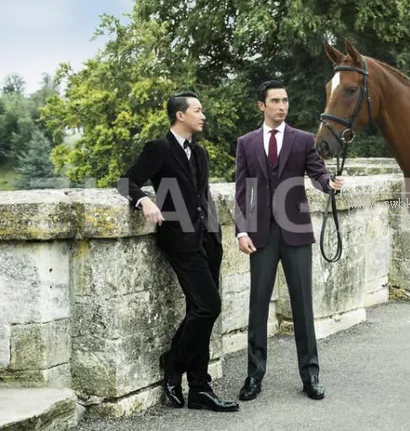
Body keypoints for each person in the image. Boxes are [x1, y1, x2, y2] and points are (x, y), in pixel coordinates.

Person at [117, 91, 239, 412]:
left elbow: (204, 196)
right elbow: (125, 181)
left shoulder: (199, 153)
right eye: (198, 111)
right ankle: (174, 363)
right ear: (180, 115)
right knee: (209, 307)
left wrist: (215, 237)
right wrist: (143, 200)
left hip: (207, 241)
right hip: (179, 241)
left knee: (200, 309)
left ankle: (200, 387)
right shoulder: (158, 149)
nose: (203, 116)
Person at [234, 79, 345, 401]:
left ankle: (310, 376)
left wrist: (330, 184)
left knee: (302, 306)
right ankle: (254, 377)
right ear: (262, 105)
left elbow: (317, 173)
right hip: (260, 236)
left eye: (285, 101)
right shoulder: (246, 143)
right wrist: (242, 231)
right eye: (275, 101)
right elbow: (242, 191)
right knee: (258, 307)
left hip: (296, 233)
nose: (282, 106)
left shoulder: (303, 140)